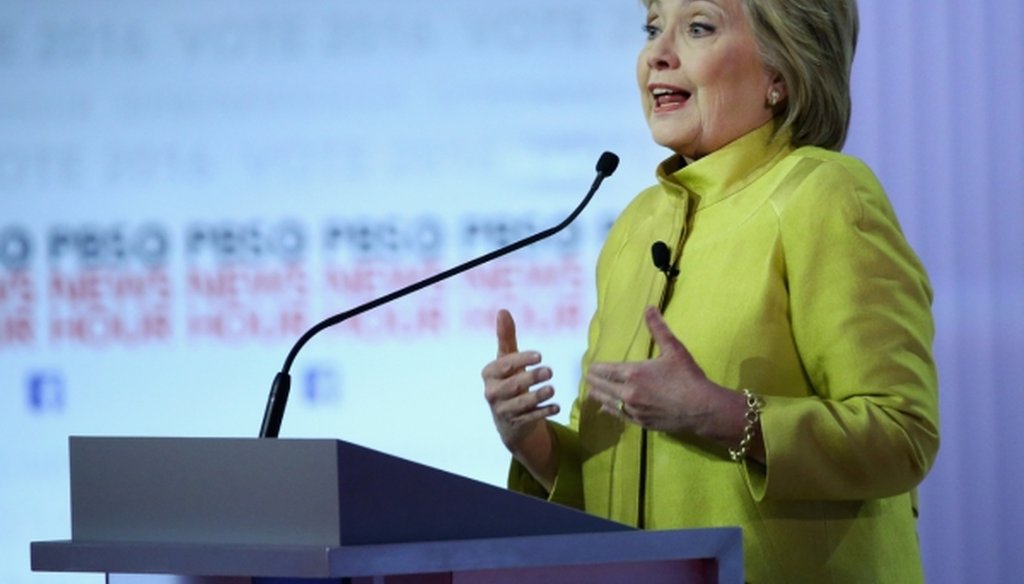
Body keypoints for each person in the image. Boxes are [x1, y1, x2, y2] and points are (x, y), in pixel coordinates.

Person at [481, 0, 940, 582]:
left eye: (698, 27)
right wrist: (531, 441)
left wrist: (720, 415)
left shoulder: (825, 194)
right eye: (652, 29)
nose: (657, 54)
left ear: (781, 72)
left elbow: (903, 436)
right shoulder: (634, 229)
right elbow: (610, 480)